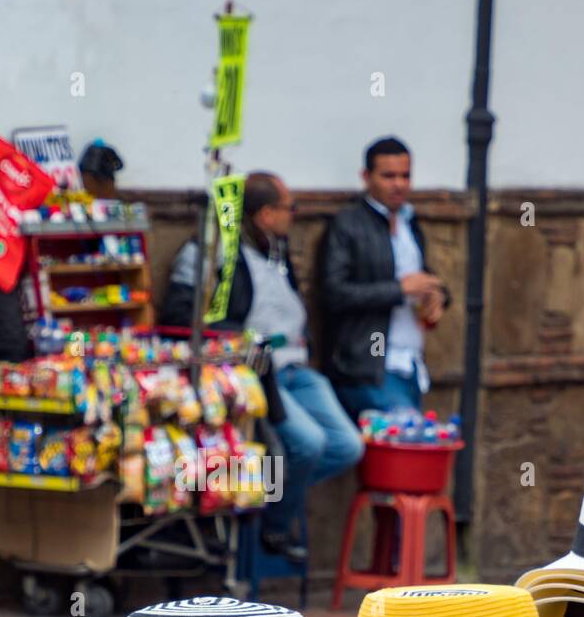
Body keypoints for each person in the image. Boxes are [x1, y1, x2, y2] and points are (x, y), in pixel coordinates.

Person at [160, 172, 363, 562]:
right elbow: (181, 313)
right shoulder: (211, 252)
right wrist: (243, 340)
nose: (294, 216)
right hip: (259, 374)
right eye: (290, 208)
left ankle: (268, 501)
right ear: (266, 213)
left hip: (297, 368)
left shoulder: (275, 250)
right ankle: (274, 527)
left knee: (346, 445)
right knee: (307, 443)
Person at [319, 136, 449, 419]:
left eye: (405, 175)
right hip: (368, 366)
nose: (399, 184)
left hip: (411, 362)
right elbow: (334, 293)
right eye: (388, 176)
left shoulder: (409, 222)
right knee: (404, 448)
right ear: (366, 177)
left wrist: (438, 297)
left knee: (403, 452)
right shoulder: (348, 224)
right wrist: (399, 290)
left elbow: (426, 278)